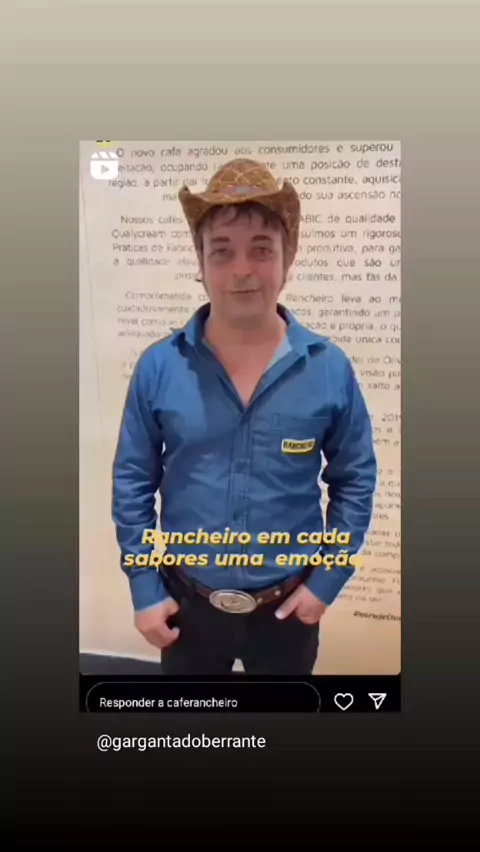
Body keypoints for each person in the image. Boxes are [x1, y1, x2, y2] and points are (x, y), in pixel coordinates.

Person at [112, 157, 377, 674]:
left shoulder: (330, 369)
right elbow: (132, 483)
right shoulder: (159, 367)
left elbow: (355, 480)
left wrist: (327, 581)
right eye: (222, 251)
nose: (242, 270)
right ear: (200, 261)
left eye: (261, 249)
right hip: (185, 606)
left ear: (288, 258)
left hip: (288, 610)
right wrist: (144, 587)